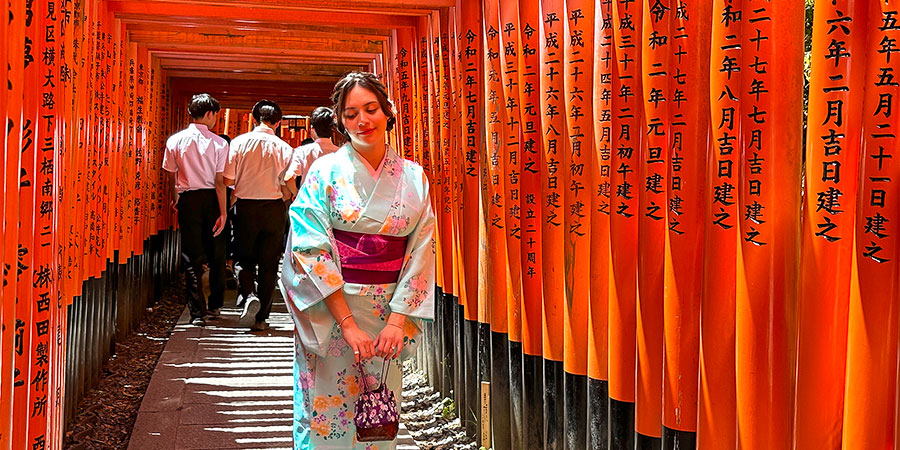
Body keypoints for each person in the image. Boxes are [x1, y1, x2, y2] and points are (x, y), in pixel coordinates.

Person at [281, 72, 435, 449]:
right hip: (332, 312)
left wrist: (398, 321)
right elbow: (308, 248)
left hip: (387, 316)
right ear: (340, 121)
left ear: (388, 113)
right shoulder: (323, 172)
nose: (362, 121)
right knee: (324, 414)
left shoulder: (414, 176)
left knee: (377, 415)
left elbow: (421, 249)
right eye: (351, 115)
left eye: (370, 110)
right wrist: (347, 324)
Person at [225, 99, 295, 331]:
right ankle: (262, 318)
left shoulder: (239, 143)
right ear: (278, 122)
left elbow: (228, 179)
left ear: (254, 118)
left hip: (245, 207)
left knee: (243, 258)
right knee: (269, 264)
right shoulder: (285, 148)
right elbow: (287, 183)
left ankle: (248, 294)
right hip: (274, 209)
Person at [162, 93, 228, 327]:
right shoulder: (220, 143)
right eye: (216, 115)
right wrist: (223, 212)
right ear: (210, 114)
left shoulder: (175, 140)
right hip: (211, 198)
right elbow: (220, 182)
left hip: (187, 199)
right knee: (216, 253)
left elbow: (172, 175)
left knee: (191, 257)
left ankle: (196, 313)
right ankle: (215, 305)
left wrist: (176, 199)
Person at [287, 106, 341, 194]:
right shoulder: (340, 153)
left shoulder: (302, 151)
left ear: (312, 129)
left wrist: (298, 196)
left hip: (309, 199)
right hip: (333, 200)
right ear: (333, 130)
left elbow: (288, 178)